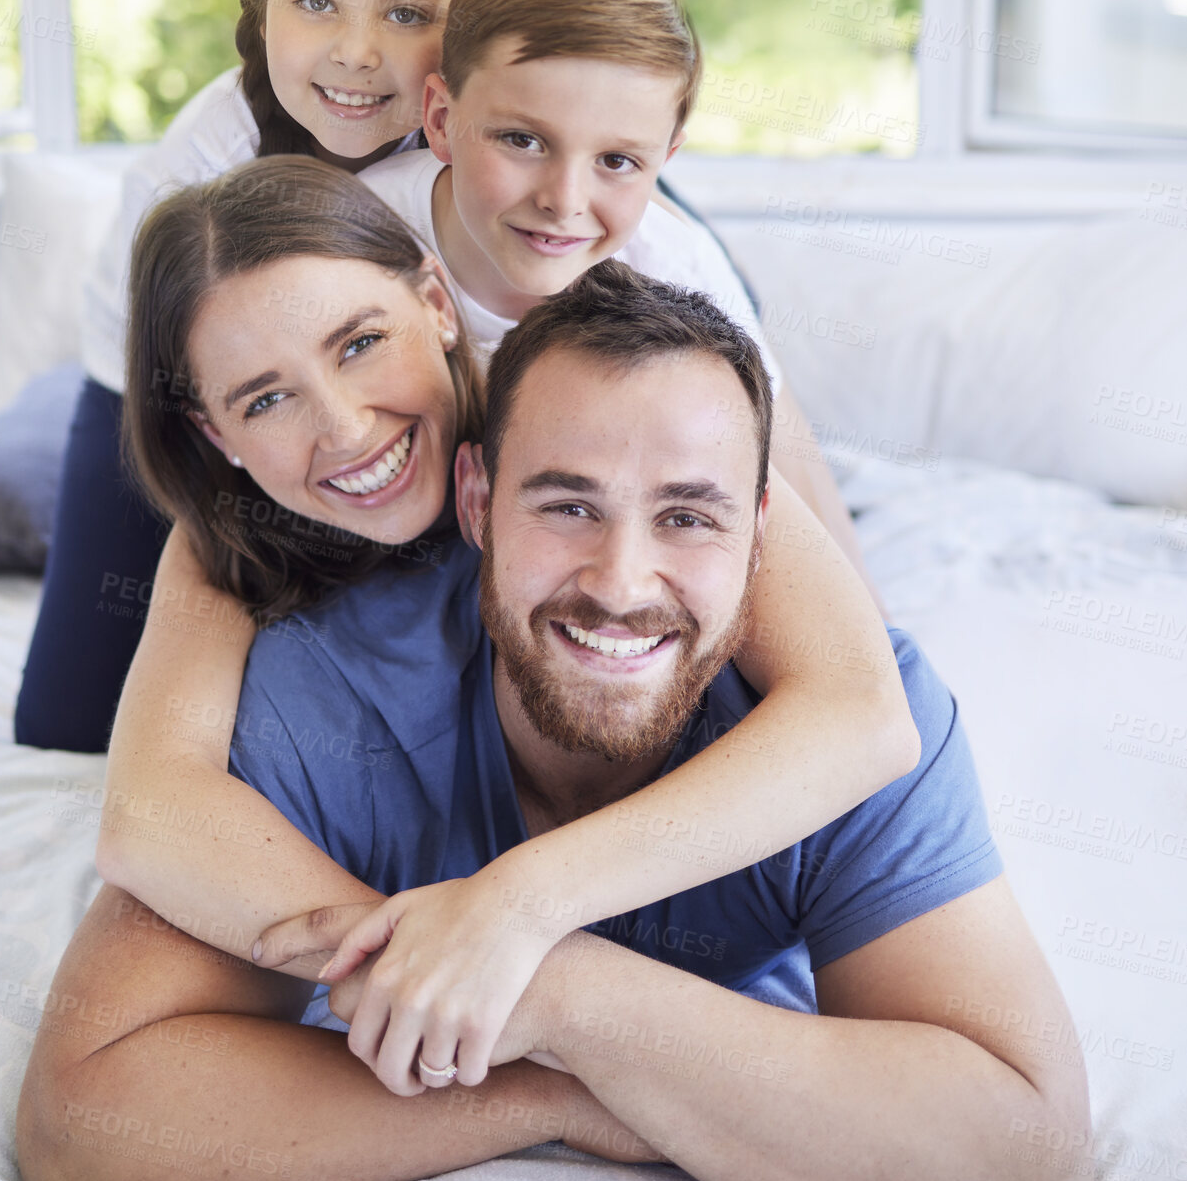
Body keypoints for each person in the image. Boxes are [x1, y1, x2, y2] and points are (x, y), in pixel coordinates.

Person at [17, 263, 1092, 1181]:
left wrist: (555, 988)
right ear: (477, 499)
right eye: (566, 505)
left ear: (759, 532)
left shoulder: (843, 718)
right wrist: (562, 1090)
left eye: (686, 516)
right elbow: (85, 1118)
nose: (621, 582)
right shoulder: (324, 701)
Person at [94, 154, 918, 1099]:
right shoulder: (225, 543)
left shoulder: (597, 431)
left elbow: (864, 710)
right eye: (266, 399)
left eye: (360, 342)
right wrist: (423, 962)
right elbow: (146, 810)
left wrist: (516, 911)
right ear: (216, 436)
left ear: (437, 304)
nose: (348, 426)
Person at [13, 0, 502, 752]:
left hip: (422, 412)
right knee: (68, 725)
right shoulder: (209, 156)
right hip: (172, 399)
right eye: (315, 2)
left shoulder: (520, 154)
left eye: (405, 14)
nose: (355, 53)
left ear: (468, 22)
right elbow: (192, 422)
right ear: (261, 3)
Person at [358, 0, 880, 596]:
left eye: (616, 161)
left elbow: (782, 462)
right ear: (438, 117)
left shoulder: (673, 264)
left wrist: (870, 637)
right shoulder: (358, 238)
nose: (563, 200)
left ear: (665, 160)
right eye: (521, 140)